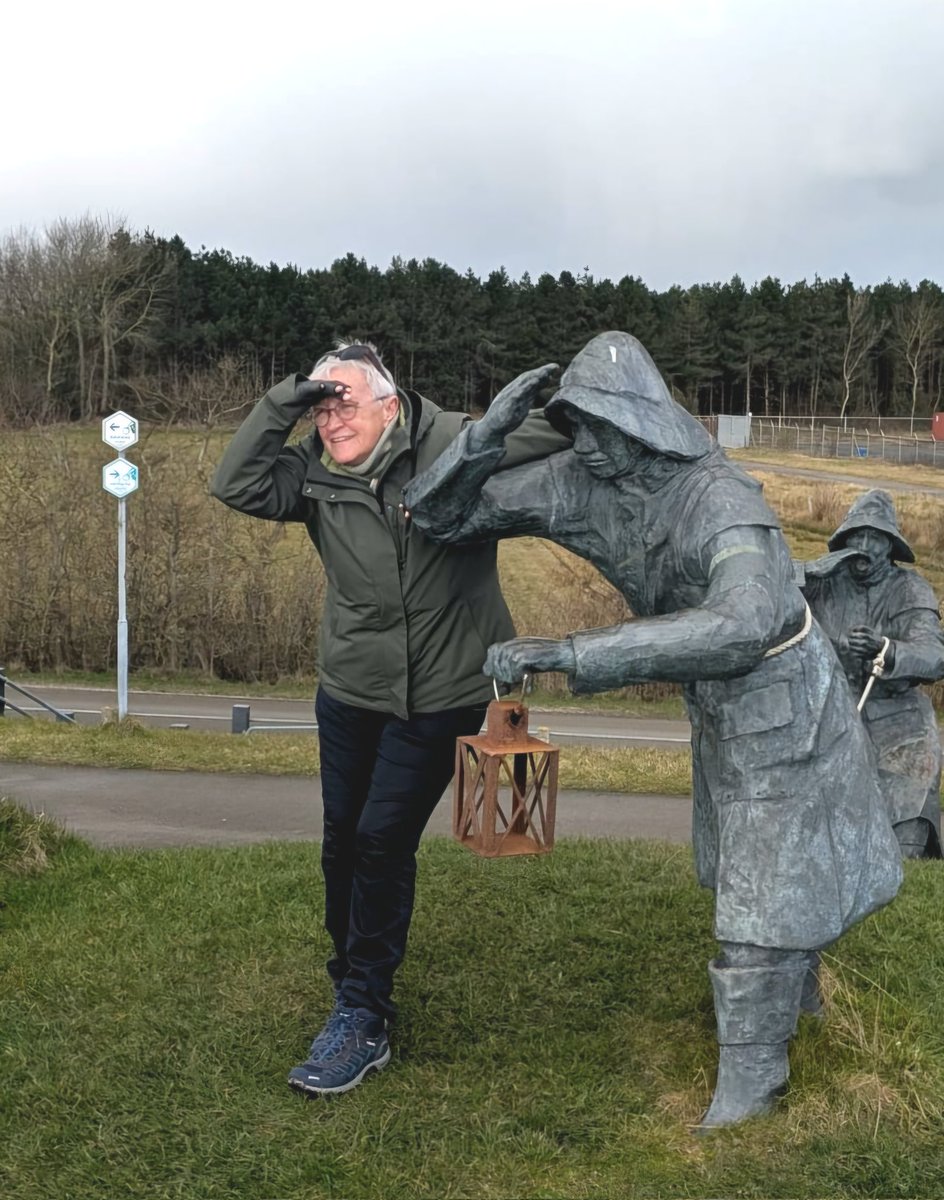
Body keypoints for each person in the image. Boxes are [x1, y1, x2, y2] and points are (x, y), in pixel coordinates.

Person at [404, 331, 903, 1128]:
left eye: (603, 425)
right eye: (578, 426)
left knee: (758, 893)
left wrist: (572, 653)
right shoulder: (580, 479)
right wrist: (486, 435)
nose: (589, 444)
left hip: (782, 700)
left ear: (642, 422)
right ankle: (793, 1001)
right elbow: (438, 517)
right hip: (718, 706)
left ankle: (754, 1076)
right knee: (742, 868)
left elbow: (745, 621)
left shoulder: (719, 499)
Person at [211, 342, 567, 1095]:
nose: (331, 417)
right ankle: (352, 981)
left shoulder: (454, 443)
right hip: (350, 689)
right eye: (320, 404)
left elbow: (560, 433)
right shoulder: (311, 470)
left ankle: (364, 1013)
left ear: (391, 404)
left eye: (343, 400)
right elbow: (233, 481)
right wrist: (288, 400)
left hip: (441, 690)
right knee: (343, 836)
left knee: (380, 838)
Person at [799, 489, 944, 858]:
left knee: (912, 769)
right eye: (856, 536)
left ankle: (905, 853)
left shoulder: (910, 589)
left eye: (874, 537)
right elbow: (772, 596)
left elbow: (933, 655)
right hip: (830, 703)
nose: (863, 545)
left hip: (896, 712)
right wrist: (809, 573)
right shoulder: (823, 581)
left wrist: (886, 649)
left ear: (890, 545)